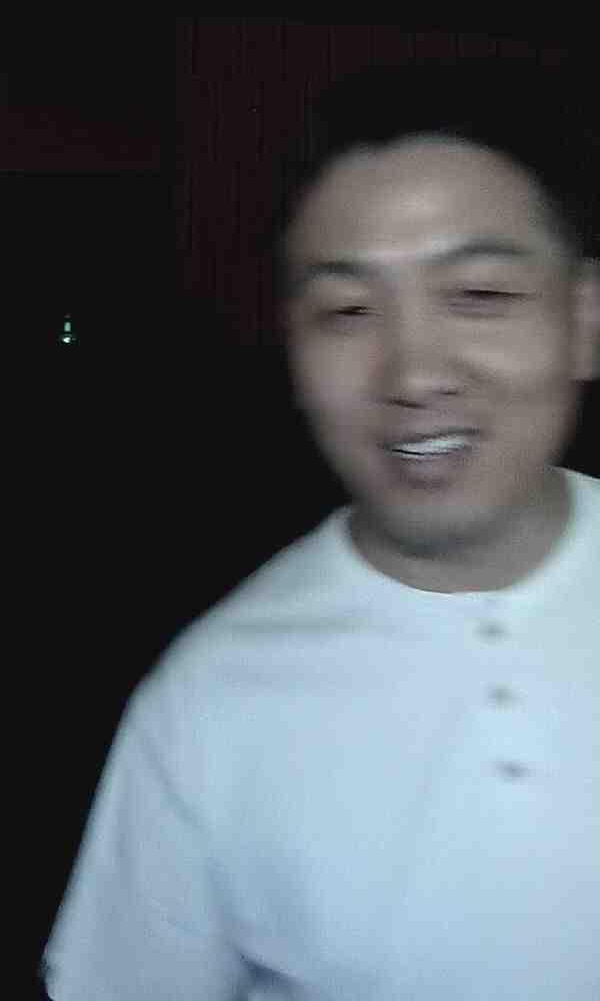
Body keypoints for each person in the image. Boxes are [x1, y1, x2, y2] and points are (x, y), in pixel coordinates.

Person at [40, 58, 599, 999]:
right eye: (347, 311)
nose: (415, 374)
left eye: (479, 295)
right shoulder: (205, 704)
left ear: (583, 318)